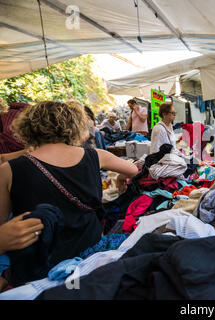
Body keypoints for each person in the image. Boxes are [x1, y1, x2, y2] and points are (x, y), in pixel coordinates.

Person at [0, 101, 138, 285]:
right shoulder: (96, 155)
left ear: (28, 128)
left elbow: (3, 226)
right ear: (74, 126)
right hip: (88, 262)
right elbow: (133, 170)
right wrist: (121, 178)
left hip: (38, 272)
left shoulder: (8, 170)